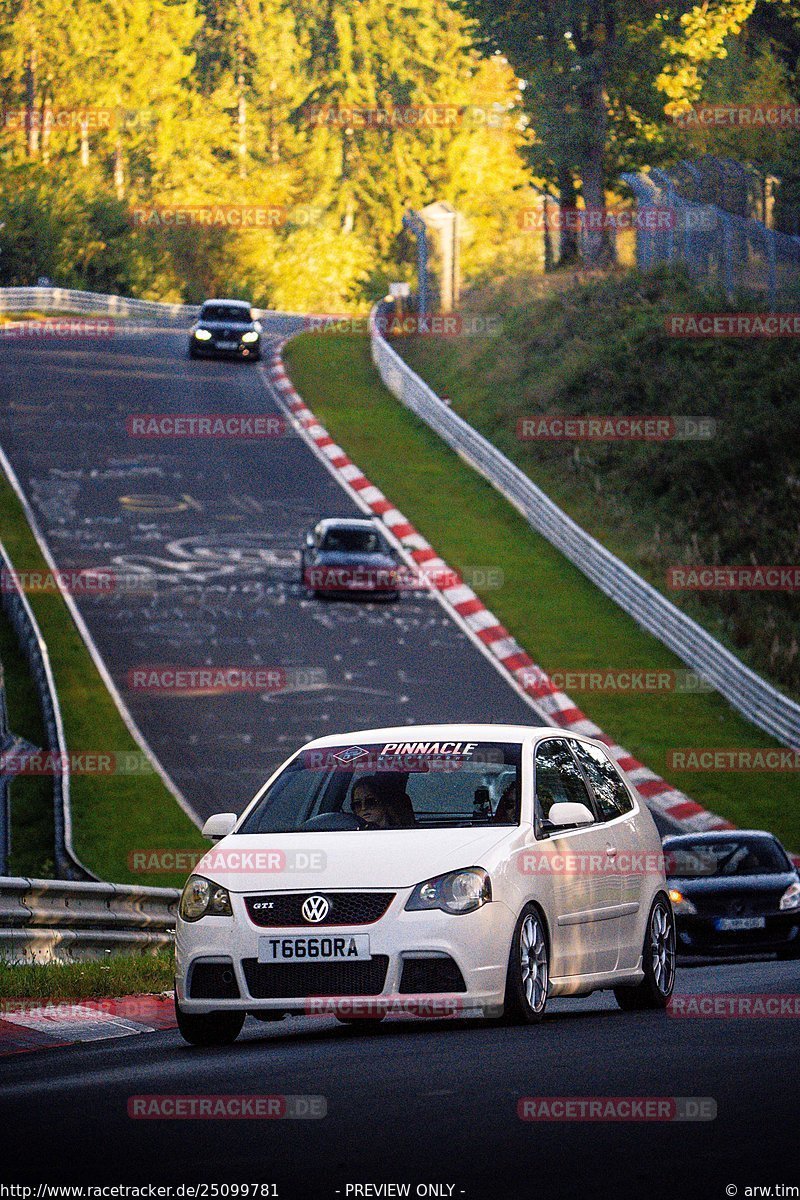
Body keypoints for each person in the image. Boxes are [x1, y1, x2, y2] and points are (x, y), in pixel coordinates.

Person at [351, 774, 415, 829]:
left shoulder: (405, 834)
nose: (363, 808)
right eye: (357, 804)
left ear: (384, 803)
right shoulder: (348, 836)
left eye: (370, 802)